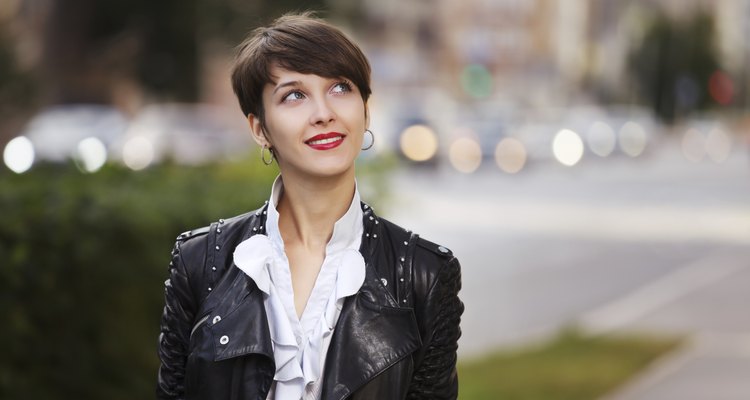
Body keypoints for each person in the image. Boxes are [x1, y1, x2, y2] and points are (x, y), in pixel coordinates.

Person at [156, 12, 463, 400]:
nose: (323, 113)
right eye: (294, 95)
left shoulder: (424, 274)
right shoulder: (200, 261)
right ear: (259, 129)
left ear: (366, 110)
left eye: (340, 88)